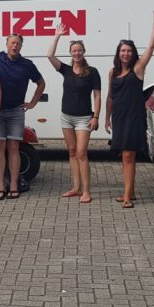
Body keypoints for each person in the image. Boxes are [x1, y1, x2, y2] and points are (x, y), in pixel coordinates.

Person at [105, 8, 154, 209]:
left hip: (133, 118)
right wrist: (106, 118)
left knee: (129, 156)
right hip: (119, 118)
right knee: (124, 156)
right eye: (123, 50)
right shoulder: (112, 72)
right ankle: (130, 191)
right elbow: (110, 97)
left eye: (129, 50)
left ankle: (127, 196)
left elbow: (151, 47)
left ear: (133, 53)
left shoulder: (138, 69)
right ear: (118, 53)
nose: (126, 53)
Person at [0, 32, 45, 200]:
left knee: (14, 148)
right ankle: (1, 184)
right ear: (7, 44)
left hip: (16, 111)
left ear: (21, 45)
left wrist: (32, 103)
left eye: (17, 43)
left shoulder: (27, 65)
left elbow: (41, 83)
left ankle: (15, 184)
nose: (14, 46)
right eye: (12, 43)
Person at [47, 24, 102, 204]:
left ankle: (86, 191)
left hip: (84, 118)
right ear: (70, 53)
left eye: (79, 50)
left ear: (84, 52)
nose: (77, 53)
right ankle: (76, 188)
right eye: (74, 51)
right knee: (71, 151)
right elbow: (50, 55)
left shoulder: (93, 72)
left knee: (81, 153)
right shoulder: (66, 70)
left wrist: (96, 117)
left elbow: (97, 96)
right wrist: (57, 36)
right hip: (66, 117)